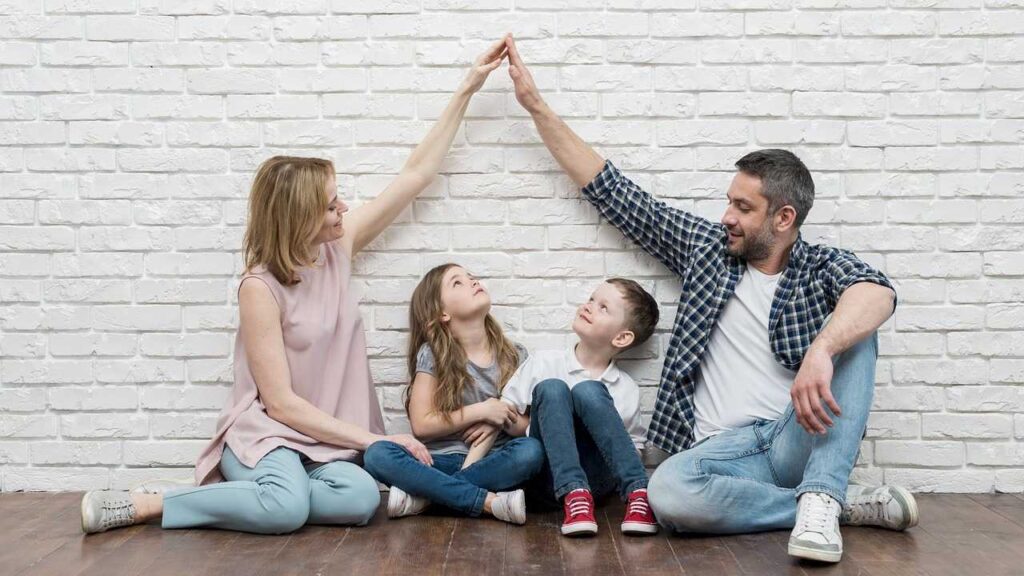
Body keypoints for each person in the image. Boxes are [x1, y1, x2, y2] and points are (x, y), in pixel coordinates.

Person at [502, 35, 918, 563]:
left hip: (794, 436)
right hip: (721, 454)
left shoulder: (818, 267)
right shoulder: (707, 251)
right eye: (728, 202)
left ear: (783, 219)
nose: (727, 216)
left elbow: (878, 293)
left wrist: (822, 349)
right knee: (667, 494)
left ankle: (820, 490)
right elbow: (616, 193)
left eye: (743, 207)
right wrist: (536, 107)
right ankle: (829, 502)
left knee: (858, 333)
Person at [79, 37, 511, 536]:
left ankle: (271, 496)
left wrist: (467, 88)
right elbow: (280, 404)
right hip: (272, 435)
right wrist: (373, 440)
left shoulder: (338, 247)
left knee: (357, 499)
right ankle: (155, 503)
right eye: (330, 205)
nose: (343, 209)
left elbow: (414, 174)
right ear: (298, 217)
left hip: (329, 441)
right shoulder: (259, 288)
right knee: (285, 511)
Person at [362, 264, 544, 525]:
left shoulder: (515, 355)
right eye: (457, 282)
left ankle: (428, 498)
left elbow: (528, 428)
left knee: (531, 452)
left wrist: (502, 416)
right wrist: (482, 410)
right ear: (442, 313)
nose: (472, 281)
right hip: (440, 462)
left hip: (494, 462)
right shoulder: (433, 354)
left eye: (471, 276)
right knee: (377, 454)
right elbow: (422, 425)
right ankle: (487, 502)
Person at [501, 278, 660, 537]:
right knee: (553, 388)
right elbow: (505, 412)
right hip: (547, 480)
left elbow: (634, 447)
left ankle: (638, 493)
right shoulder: (544, 362)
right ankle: (574, 492)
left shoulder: (625, 387)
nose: (589, 306)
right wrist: (546, 426)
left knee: (588, 390)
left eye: (603, 307)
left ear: (621, 337)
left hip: (597, 483)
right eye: (591, 300)